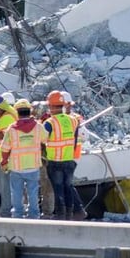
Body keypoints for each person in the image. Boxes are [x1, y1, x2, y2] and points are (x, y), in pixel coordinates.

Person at [0, 100, 46, 219]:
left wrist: (4, 162)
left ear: (17, 112)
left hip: (16, 167)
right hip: (33, 166)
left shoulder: (12, 129)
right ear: (30, 111)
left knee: (16, 193)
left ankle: (18, 215)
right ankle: (34, 215)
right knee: (33, 192)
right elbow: (46, 139)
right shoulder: (38, 127)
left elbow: (4, 148)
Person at [43, 91, 79, 220]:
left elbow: (42, 139)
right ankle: (69, 214)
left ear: (51, 106)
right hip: (69, 159)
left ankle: (60, 215)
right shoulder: (73, 120)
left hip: (55, 161)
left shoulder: (49, 123)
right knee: (68, 187)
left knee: (58, 189)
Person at [61, 91, 88, 220]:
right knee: (64, 184)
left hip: (71, 155)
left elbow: (84, 136)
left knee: (67, 183)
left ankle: (77, 209)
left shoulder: (75, 119)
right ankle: (72, 211)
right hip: (62, 155)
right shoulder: (59, 118)